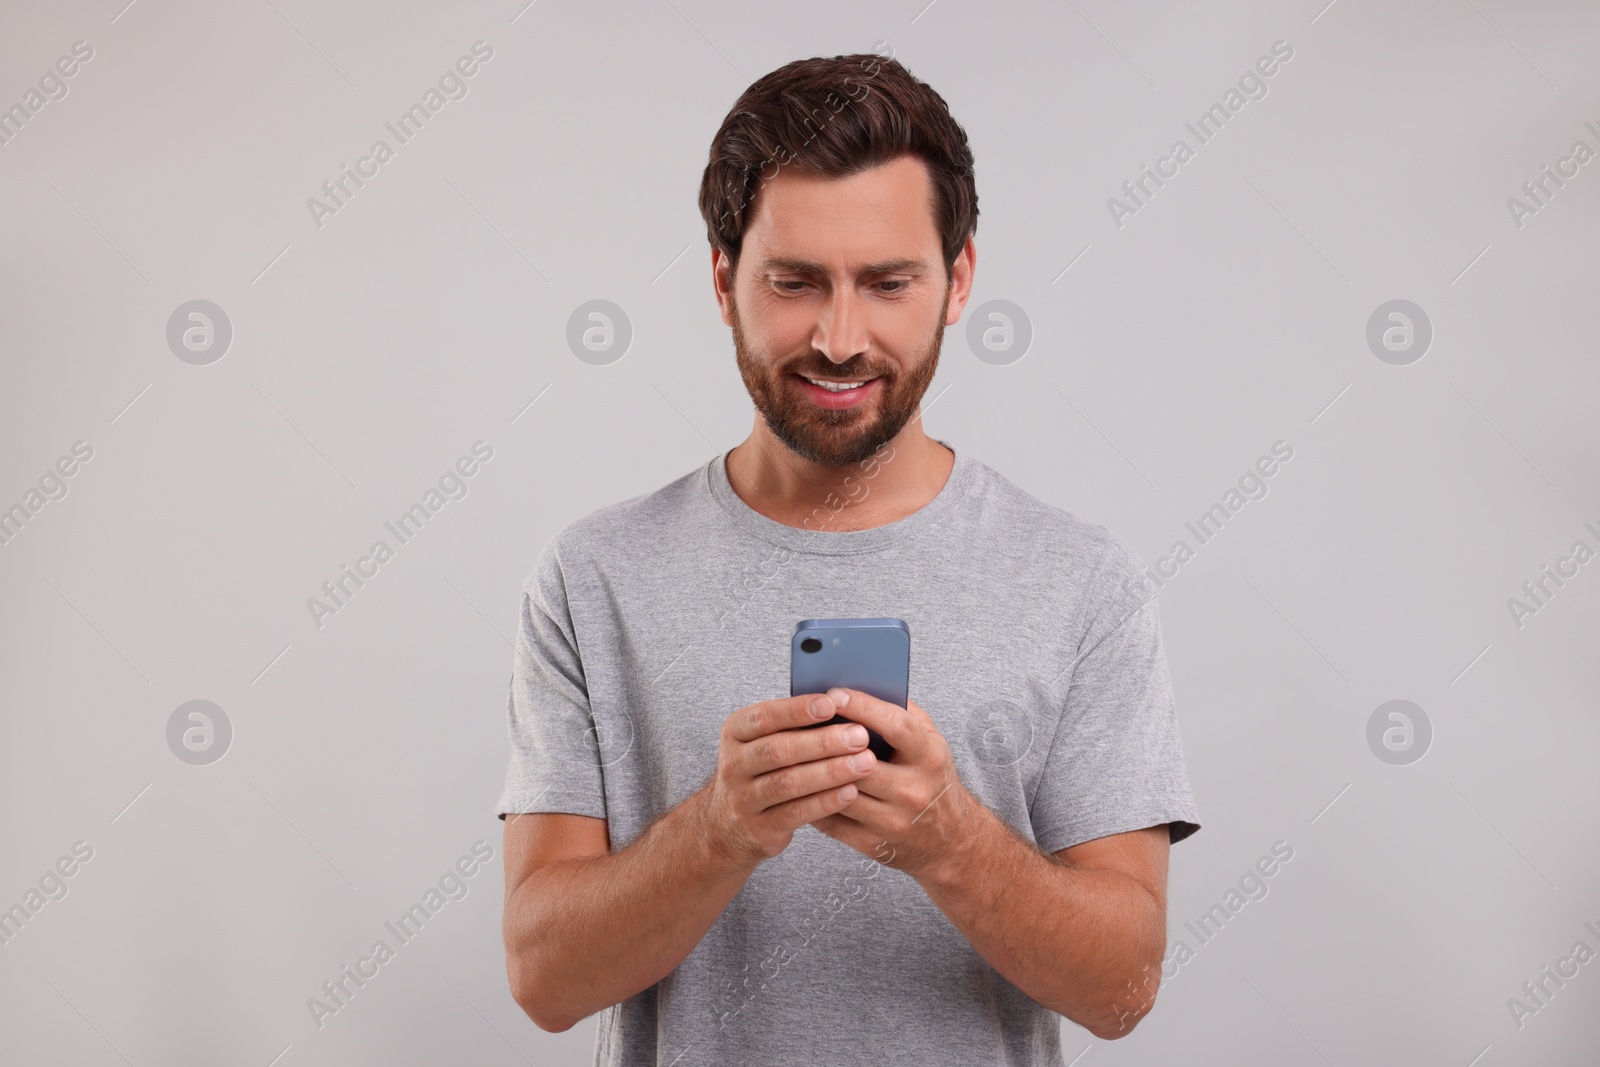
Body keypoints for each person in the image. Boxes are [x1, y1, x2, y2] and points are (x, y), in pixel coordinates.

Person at [497, 51, 1200, 1066]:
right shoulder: (593, 575)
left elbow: (1124, 986)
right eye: (793, 282)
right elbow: (545, 981)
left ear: (956, 282)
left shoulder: (1083, 581)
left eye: (886, 283)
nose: (837, 337)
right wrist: (722, 825)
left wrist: (949, 838)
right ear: (720, 279)